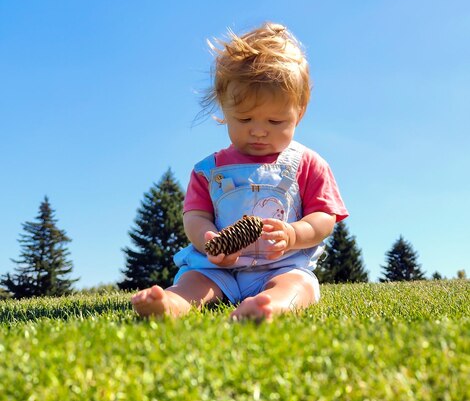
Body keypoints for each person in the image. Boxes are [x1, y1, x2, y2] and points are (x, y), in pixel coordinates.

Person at [131, 22, 348, 320]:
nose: (259, 131)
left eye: (275, 122)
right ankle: (171, 304)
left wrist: (294, 234)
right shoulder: (208, 171)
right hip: (217, 267)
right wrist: (208, 241)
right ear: (224, 108)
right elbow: (195, 216)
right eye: (245, 119)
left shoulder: (308, 164)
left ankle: (270, 306)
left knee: (299, 285)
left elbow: (324, 217)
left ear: (299, 111)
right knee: (194, 282)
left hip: (282, 265)